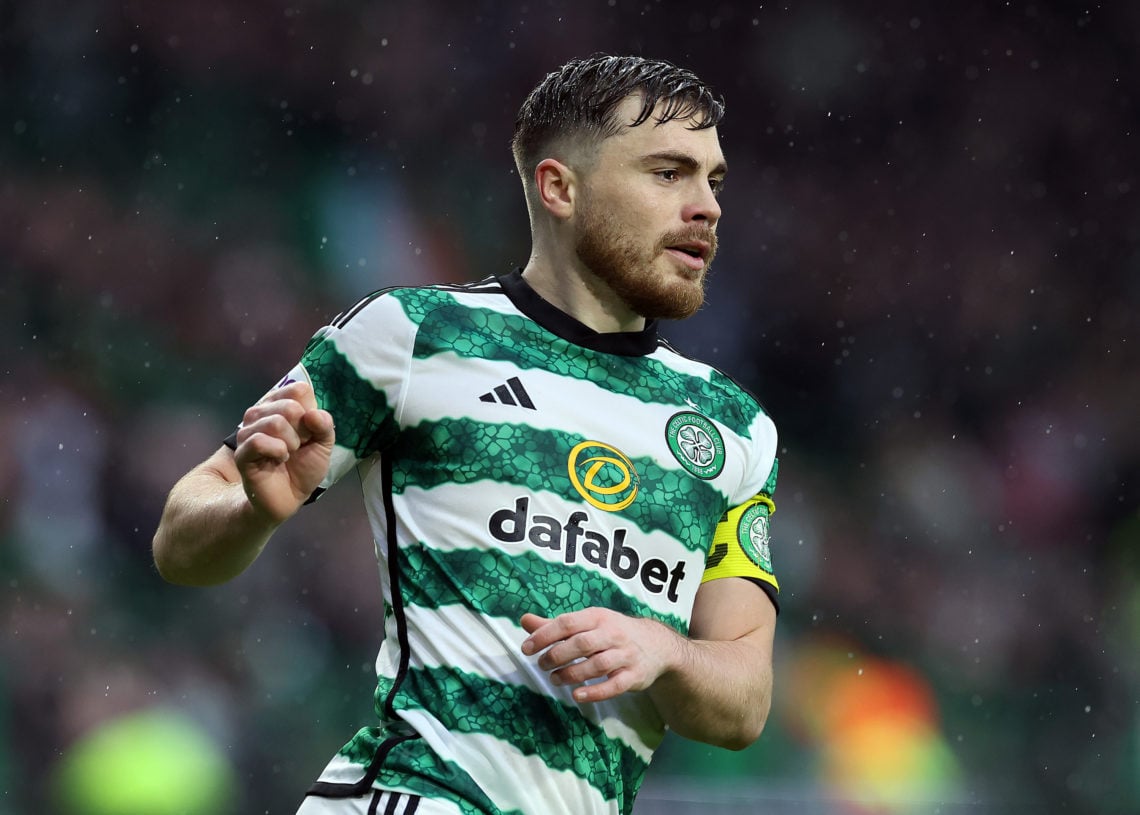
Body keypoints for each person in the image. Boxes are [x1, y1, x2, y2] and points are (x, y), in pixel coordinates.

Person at [153, 54, 782, 815]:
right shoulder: (414, 334)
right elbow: (180, 544)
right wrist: (251, 511)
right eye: (668, 173)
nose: (706, 206)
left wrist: (667, 652)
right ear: (559, 187)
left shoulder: (730, 426)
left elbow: (743, 701)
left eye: (712, 180)